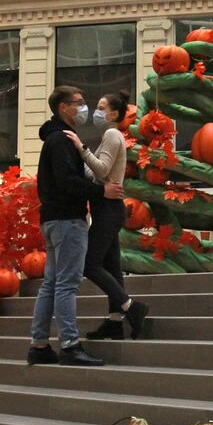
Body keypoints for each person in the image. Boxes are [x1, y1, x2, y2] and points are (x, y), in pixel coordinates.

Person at [28, 86, 120, 367]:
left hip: (53, 220)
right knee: (67, 284)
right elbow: (68, 181)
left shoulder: (56, 139)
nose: (84, 108)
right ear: (63, 108)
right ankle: (70, 345)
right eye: (78, 103)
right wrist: (100, 192)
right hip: (68, 220)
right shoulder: (62, 141)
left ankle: (40, 345)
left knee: (51, 284)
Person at [65, 90, 150, 340]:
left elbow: (101, 168)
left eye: (101, 108)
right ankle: (115, 322)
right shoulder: (109, 136)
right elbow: (97, 175)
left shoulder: (113, 134)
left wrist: (81, 148)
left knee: (90, 264)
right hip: (106, 208)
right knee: (112, 268)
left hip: (109, 210)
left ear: (113, 114)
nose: (96, 112)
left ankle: (131, 307)